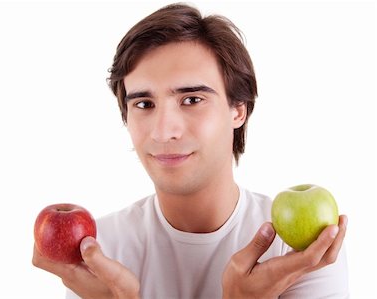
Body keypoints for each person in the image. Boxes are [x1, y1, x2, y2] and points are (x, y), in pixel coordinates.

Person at [33, 3, 349, 298]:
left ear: (238, 109)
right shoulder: (100, 249)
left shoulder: (299, 248)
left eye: (192, 99)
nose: (164, 130)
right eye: (144, 104)